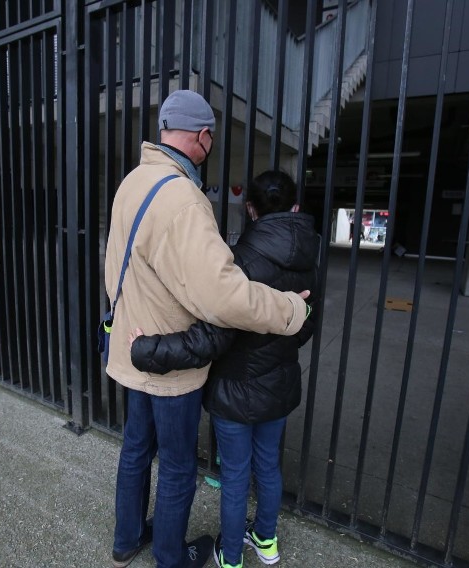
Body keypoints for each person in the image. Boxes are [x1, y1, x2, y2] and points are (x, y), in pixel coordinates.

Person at [105, 91, 310, 568]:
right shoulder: (183, 199)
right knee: (177, 468)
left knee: (136, 448)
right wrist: (288, 310)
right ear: (202, 137)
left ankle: (126, 540)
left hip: (134, 347)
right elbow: (225, 297)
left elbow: (117, 263)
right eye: (211, 138)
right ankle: (172, 559)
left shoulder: (132, 182)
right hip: (172, 365)